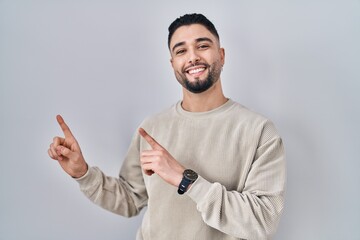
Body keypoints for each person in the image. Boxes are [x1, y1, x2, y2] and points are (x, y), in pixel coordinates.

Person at [48, 13, 286, 240]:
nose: (192, 57)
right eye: (181, 50)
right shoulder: (152, 128)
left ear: (221, 55)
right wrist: (83, 173)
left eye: (202, 46)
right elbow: (130, 199)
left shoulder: (259, 131)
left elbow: (263, 220)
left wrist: (187, 181)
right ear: (173, 64)